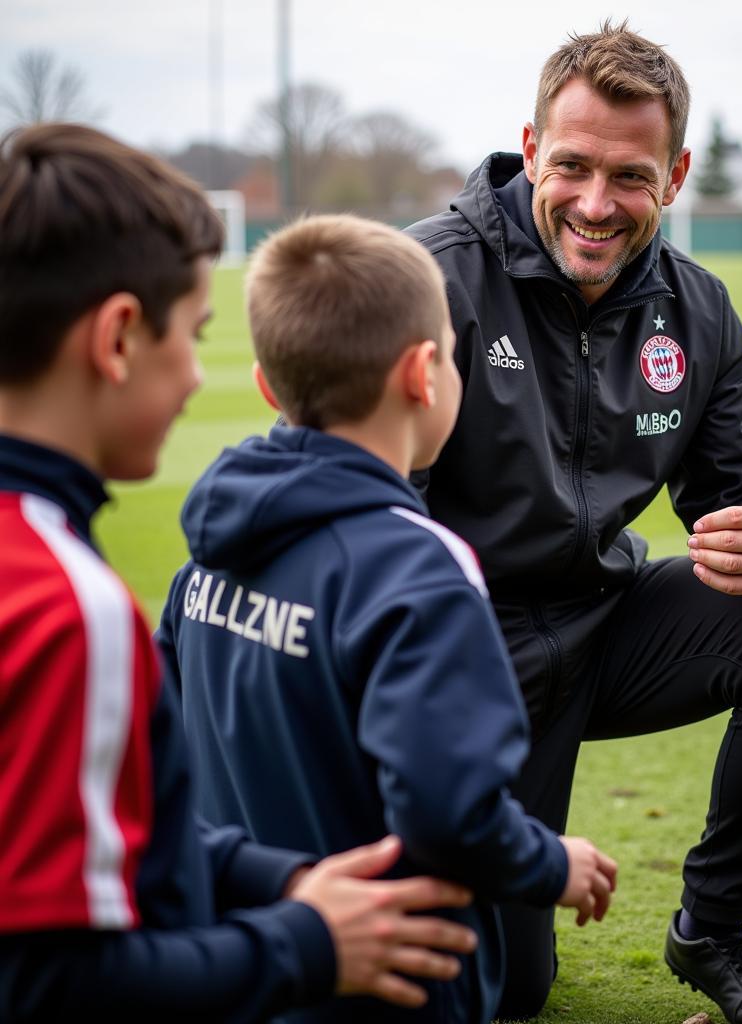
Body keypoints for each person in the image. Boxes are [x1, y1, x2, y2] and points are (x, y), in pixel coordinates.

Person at [0, 123, 483, 1023]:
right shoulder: (63, 603)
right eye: (193, 333)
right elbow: (47, 984)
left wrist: (282, 878)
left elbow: (116, 836)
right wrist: (310, 945)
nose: (194, 376)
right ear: (116, 340)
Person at [405, 20, 742, 1024]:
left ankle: (711, 926)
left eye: (629, 177)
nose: (595, 204)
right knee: (507, 991)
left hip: (604, 626)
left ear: (673, 177)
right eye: (573, 166)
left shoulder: (698, 311)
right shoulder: (428, 279)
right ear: (531, 147)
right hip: (463, 658)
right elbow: (364, 514)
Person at [155, 213, 618, 1024]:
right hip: (391, 984)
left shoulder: (203, 559)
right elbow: (451, 815)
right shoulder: (417, 569)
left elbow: (156, 763)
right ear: (423, 375)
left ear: (269, 387)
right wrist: (555, 863)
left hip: (253, 963)